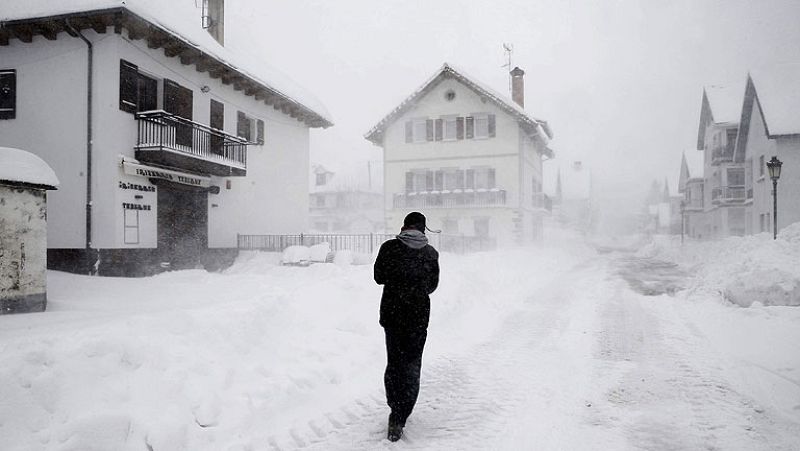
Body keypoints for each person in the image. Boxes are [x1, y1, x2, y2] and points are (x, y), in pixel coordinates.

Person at [373, 211, 440, 442]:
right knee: (412, 365)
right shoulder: (430, 253)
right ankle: (402, 414)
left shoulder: (389, 248)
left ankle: (395, 408)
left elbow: (379, 277)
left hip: (392, 315)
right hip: (417, 317)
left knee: (395, 363)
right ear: (423, 228)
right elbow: (432, 286)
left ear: (404, 226)